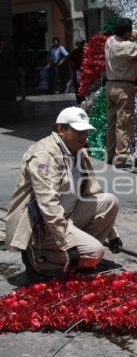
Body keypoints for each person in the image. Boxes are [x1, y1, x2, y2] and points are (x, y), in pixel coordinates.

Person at [6, 106, 122, 282]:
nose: (84, 136)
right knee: (96, 253)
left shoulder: (79, 152)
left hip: (69, 216)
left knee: (110, 201)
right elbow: (48, 204)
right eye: (78, 131)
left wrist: (112, 234)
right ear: (61, 129)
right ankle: (39, 261)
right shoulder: (43, 154)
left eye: (86, 132)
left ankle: (79, 258)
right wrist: (68, 242)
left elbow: (92, 190)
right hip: (42, 225)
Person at [105, 15, 137, 168]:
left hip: (110, 86)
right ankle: (121, 158)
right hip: (123, 89)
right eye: (130, 31)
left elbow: (130, 35)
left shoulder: (110, 41)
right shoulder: (125, 47)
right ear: (125, 33)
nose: (131, 33)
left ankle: (110, 154)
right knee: (123, 123)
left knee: (112, 122)